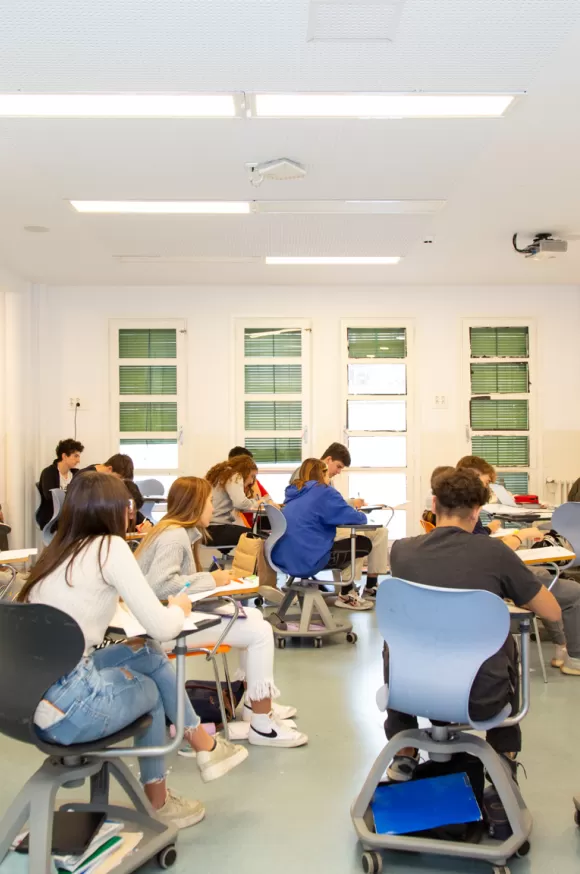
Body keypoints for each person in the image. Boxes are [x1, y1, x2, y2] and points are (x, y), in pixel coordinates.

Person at [19, 473, 247, 829]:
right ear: (113, 509)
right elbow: (164, 627)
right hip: (71, 707)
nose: (131, 512)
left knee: (146, 653)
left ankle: (203, 744)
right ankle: (163, 795)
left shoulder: (59, 550)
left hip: (30, 700)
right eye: (128, 505)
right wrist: (180, 607)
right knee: (150, 688)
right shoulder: (110, 547)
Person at [384, 468, 562, 782]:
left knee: (402, 638)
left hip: (408, 691)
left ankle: (405, 752)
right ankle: (503, 756)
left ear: (434, 504)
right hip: (480, 697)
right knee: (505, 641)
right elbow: (552, 612)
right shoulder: (495, 553)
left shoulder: (401, 551)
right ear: (477, 511)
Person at [136, 476, 307, 749]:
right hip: (162, 629)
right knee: (261, 632)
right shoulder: (175, 536)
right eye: (209, 502)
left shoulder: (172, 531)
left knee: (255, 617)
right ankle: (262, 725)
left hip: (161, 621)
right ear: (194, 505)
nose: (213, 508)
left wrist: (211, 582)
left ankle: (253, 704)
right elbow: (160, 585)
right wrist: (211, 580)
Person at [457, 454, 580, 672]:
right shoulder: (471, 517)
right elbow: (488, 551)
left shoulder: (459, 516)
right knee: (568, 591)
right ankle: (573, 657)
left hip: (489, 576)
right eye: (486, 482)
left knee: (542, 575)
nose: (488, 489)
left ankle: (561, 646)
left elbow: (480, 544)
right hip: (497, 580)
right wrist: (520, 536)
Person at [293, 443, 389, 605]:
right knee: (357, 535)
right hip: (318, 529)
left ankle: (371, 585)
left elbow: (331, 503)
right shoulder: (308, 474)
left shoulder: (324, 480)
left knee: (380, 531)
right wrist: (353, 512)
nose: (338, 472)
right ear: (328, 460)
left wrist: (350, 504)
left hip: (326, 523)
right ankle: (347, 589)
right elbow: (323, 504)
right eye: (338, 466)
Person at [274, 458, 374, 611]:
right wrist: (361, 514)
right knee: (362, 543)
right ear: (322, 474)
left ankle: (348, 591)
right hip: (310, 559)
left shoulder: (294, 493)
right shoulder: (324, 491)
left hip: (285, 558)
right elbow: (355, 518)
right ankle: (347, 592)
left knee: (341, 542)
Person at [205, 455, 276, 549]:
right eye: (252, 476)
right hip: (217, 530)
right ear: (245, 471)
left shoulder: (222, 474)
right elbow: (241, 503)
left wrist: (254, 501)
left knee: (258, 534)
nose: (251, 481)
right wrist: (259, 501)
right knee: (265, 538)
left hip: (207, 530)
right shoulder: (234, 475)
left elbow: (239, 503)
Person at [36, 438, 84, 530]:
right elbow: (50, 497)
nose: (78, 460)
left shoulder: (76, 474)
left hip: (70, 516)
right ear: (64, 456)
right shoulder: (49, 472)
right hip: (53, 517)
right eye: (75, 456)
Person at [228, 446, 273, 526]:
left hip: (254, 520)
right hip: (239, 521)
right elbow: (241, 504)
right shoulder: (233, 480)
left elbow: (267, 498)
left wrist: (267, 501)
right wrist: (259, 501)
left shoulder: (253, 481)